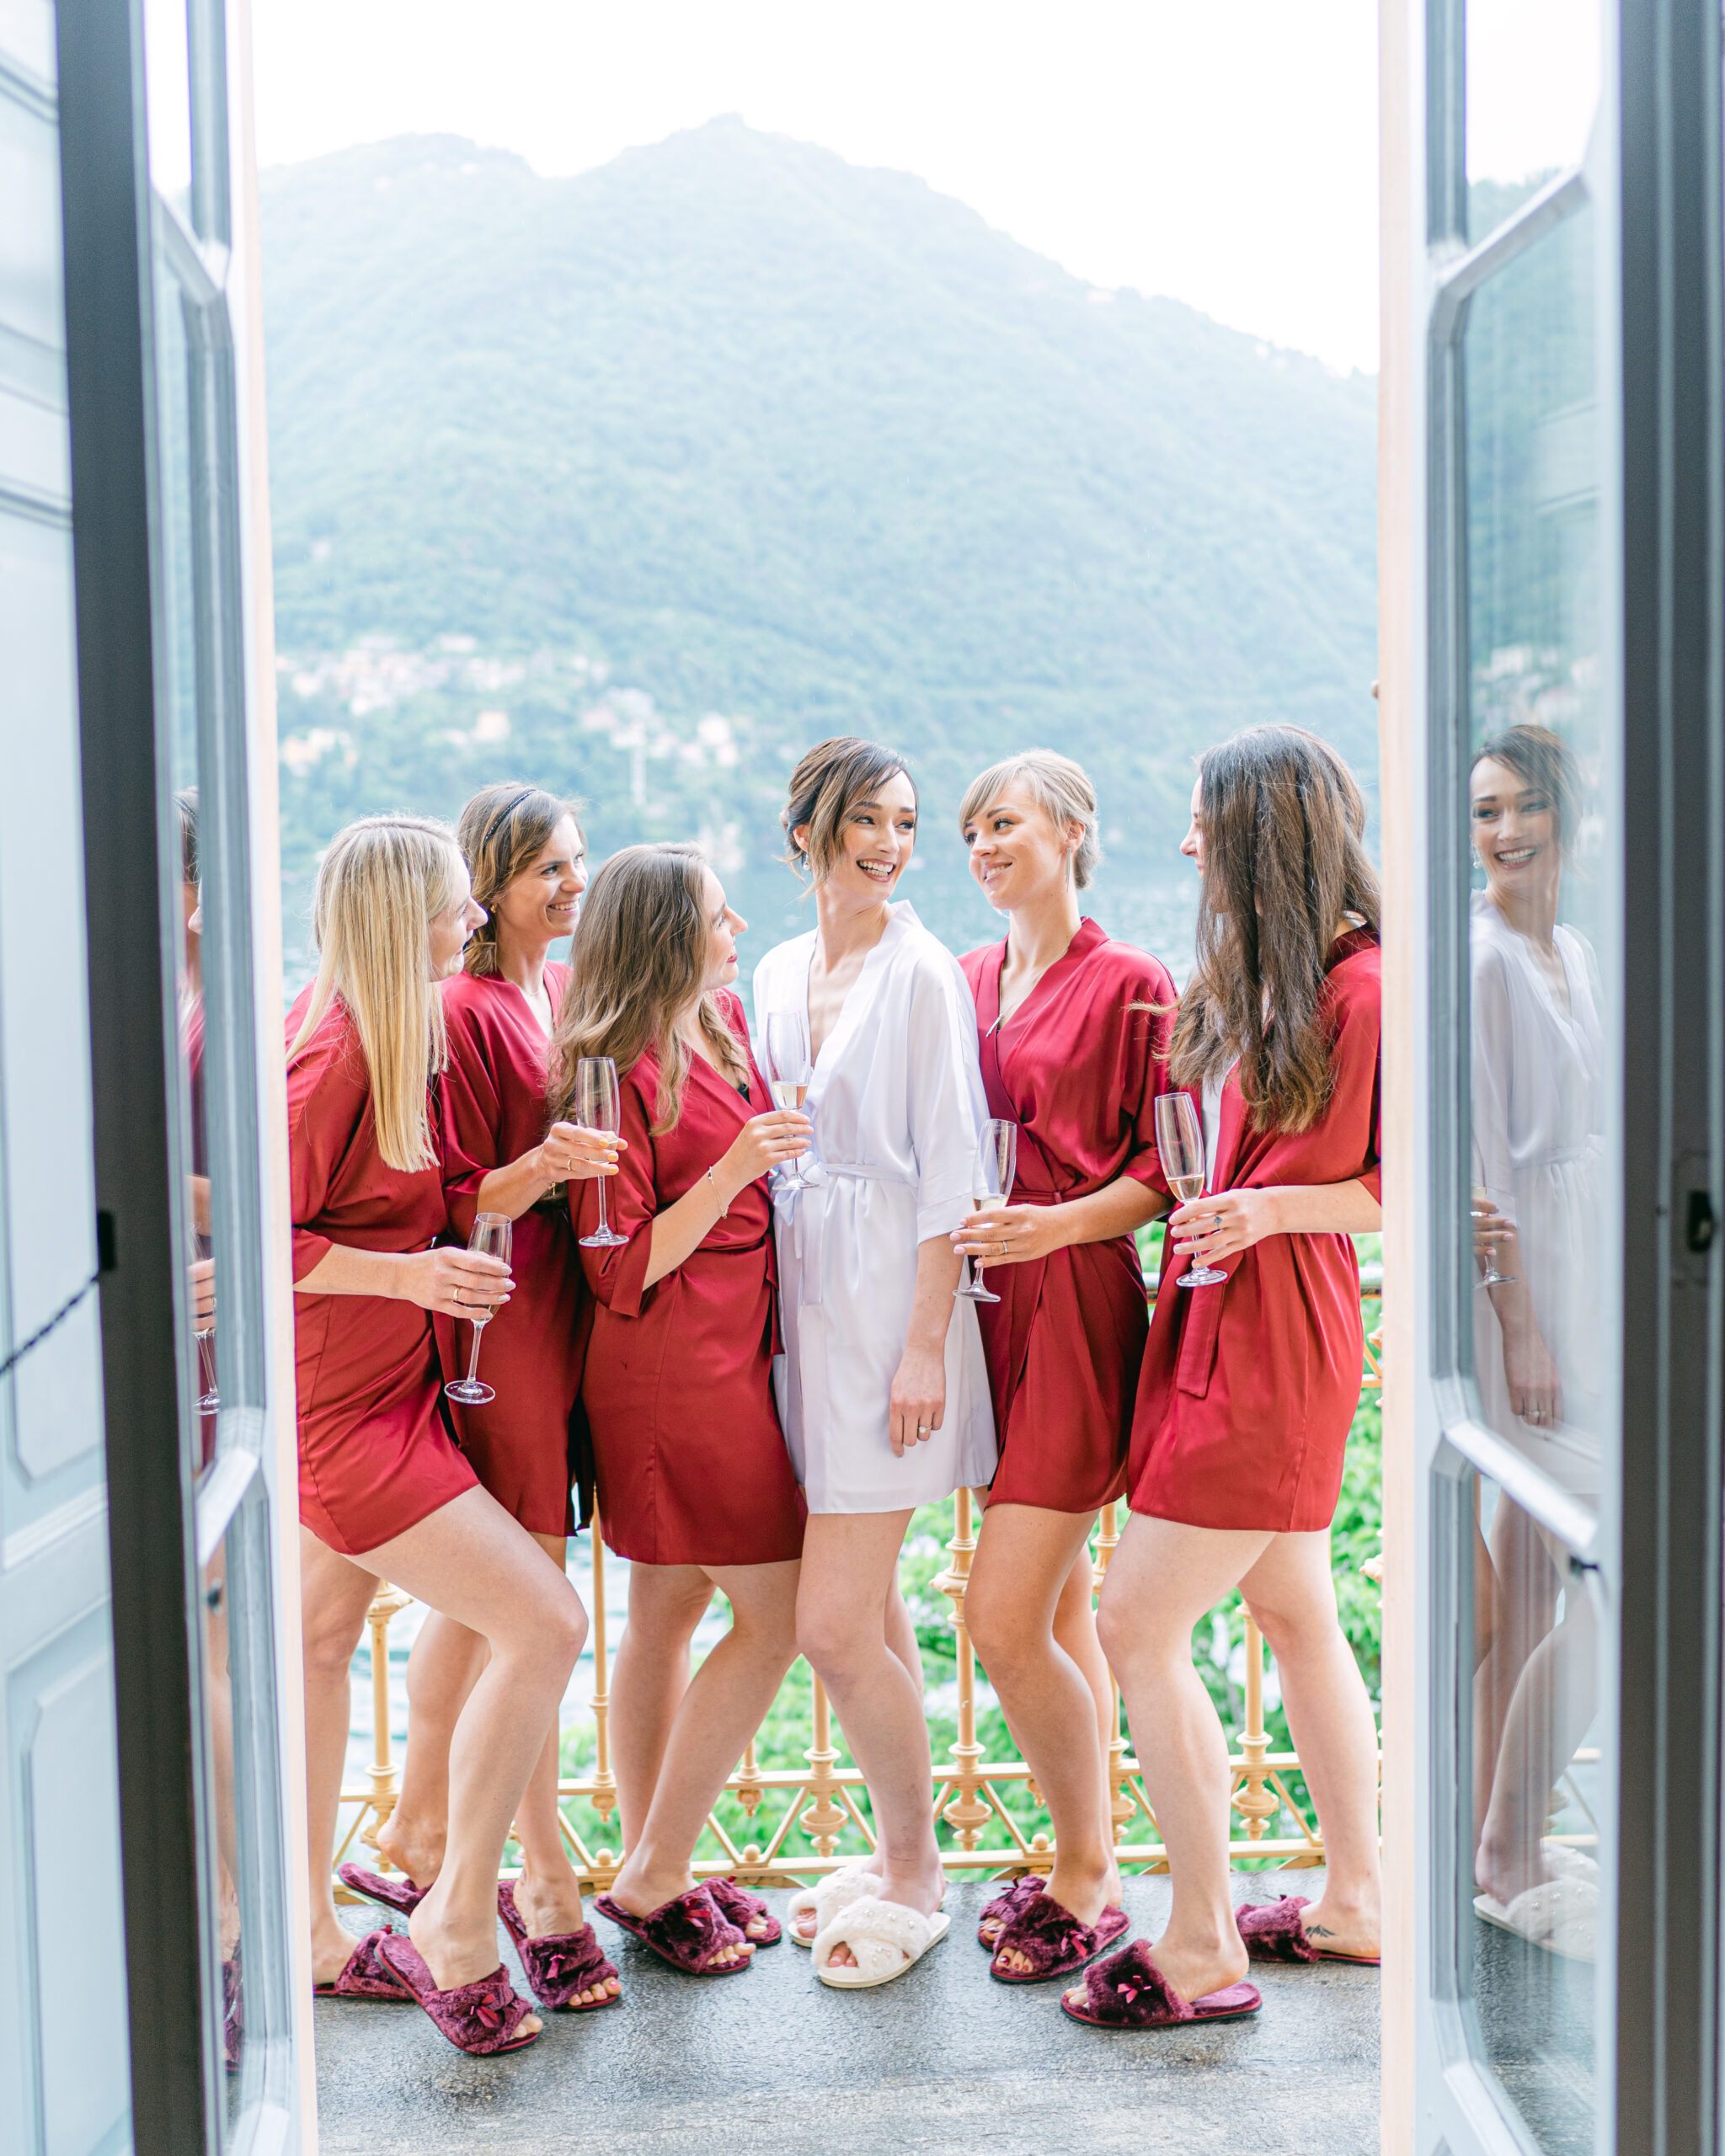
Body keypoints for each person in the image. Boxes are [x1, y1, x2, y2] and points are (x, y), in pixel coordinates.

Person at [1065, 727, 1382, 2033]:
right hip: (1224, 1312)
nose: (1188, 844)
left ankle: (1197, 1940)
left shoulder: (1362, 989)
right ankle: (1357, 1897)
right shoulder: (1266, 973)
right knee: (1297, 1614)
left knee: (1135, 1622)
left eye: (1205, 821)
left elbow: (1394, 1186)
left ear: (1261, 831)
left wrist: (1263, 1217)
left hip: (1274, 1331)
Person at [291, 814, 586, 2055]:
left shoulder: (399, 1039)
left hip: (394, 1393)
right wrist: (412, 1281)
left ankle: (308, 1930)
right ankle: (463, 1919)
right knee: (547, 1621)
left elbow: (451, 1189)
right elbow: (271, 1241)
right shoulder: (335, 1059)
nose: (471, 920)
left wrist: (488, 1207)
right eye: (454, 904)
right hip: (346, 1414)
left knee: (318, 1641)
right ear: (396, 915)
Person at [752, 737, 997, 1988]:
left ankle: (914, 1869)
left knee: (832, 1625)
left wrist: (921, 1349)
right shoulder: (778, 967)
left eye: (907, 823)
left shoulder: (926, 975)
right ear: (810, 829)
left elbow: (955, 1171)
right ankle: (900, 1849)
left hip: (893, 1314)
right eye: (869, 819)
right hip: (805, 1312)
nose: (893, 843)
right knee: (876, 1606)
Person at [553, 843, 812, 1977]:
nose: (739, 930)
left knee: (664, 1610)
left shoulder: (720, 1025)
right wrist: (736, 1168)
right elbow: (620, 1267)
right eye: (716, 918)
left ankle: (654, 1866)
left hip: (732, 1355)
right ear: (665, 935)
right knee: (783, 1616)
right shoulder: (608, 1070)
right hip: (673, 1374)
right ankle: (659, 1868)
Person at [948, 751, 1176, 1984]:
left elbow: (1170, 1165)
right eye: (973, 826)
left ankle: (1087, 1873)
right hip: (984, 1301)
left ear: (1073, 832)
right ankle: (1083, 1848)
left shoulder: (1133, 982)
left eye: (1006, 822)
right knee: (1060, 1605)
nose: (983, 843)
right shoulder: (970, 974)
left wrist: (1061, 1225)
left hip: (1077, 1298)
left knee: (999, 1615)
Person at [1466, 725, 1602, 1958]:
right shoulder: (1483, 961)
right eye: (1484, 812)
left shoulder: (1578, 949)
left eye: (1523, 807)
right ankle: (1504, 1851)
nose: (1504, 831)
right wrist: (1521, 1327)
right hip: (1533, 1301)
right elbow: (1487, 1165)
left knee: (1540, 1585)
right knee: (1575, 1575)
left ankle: (1504, 1835)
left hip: (1593, 1270)